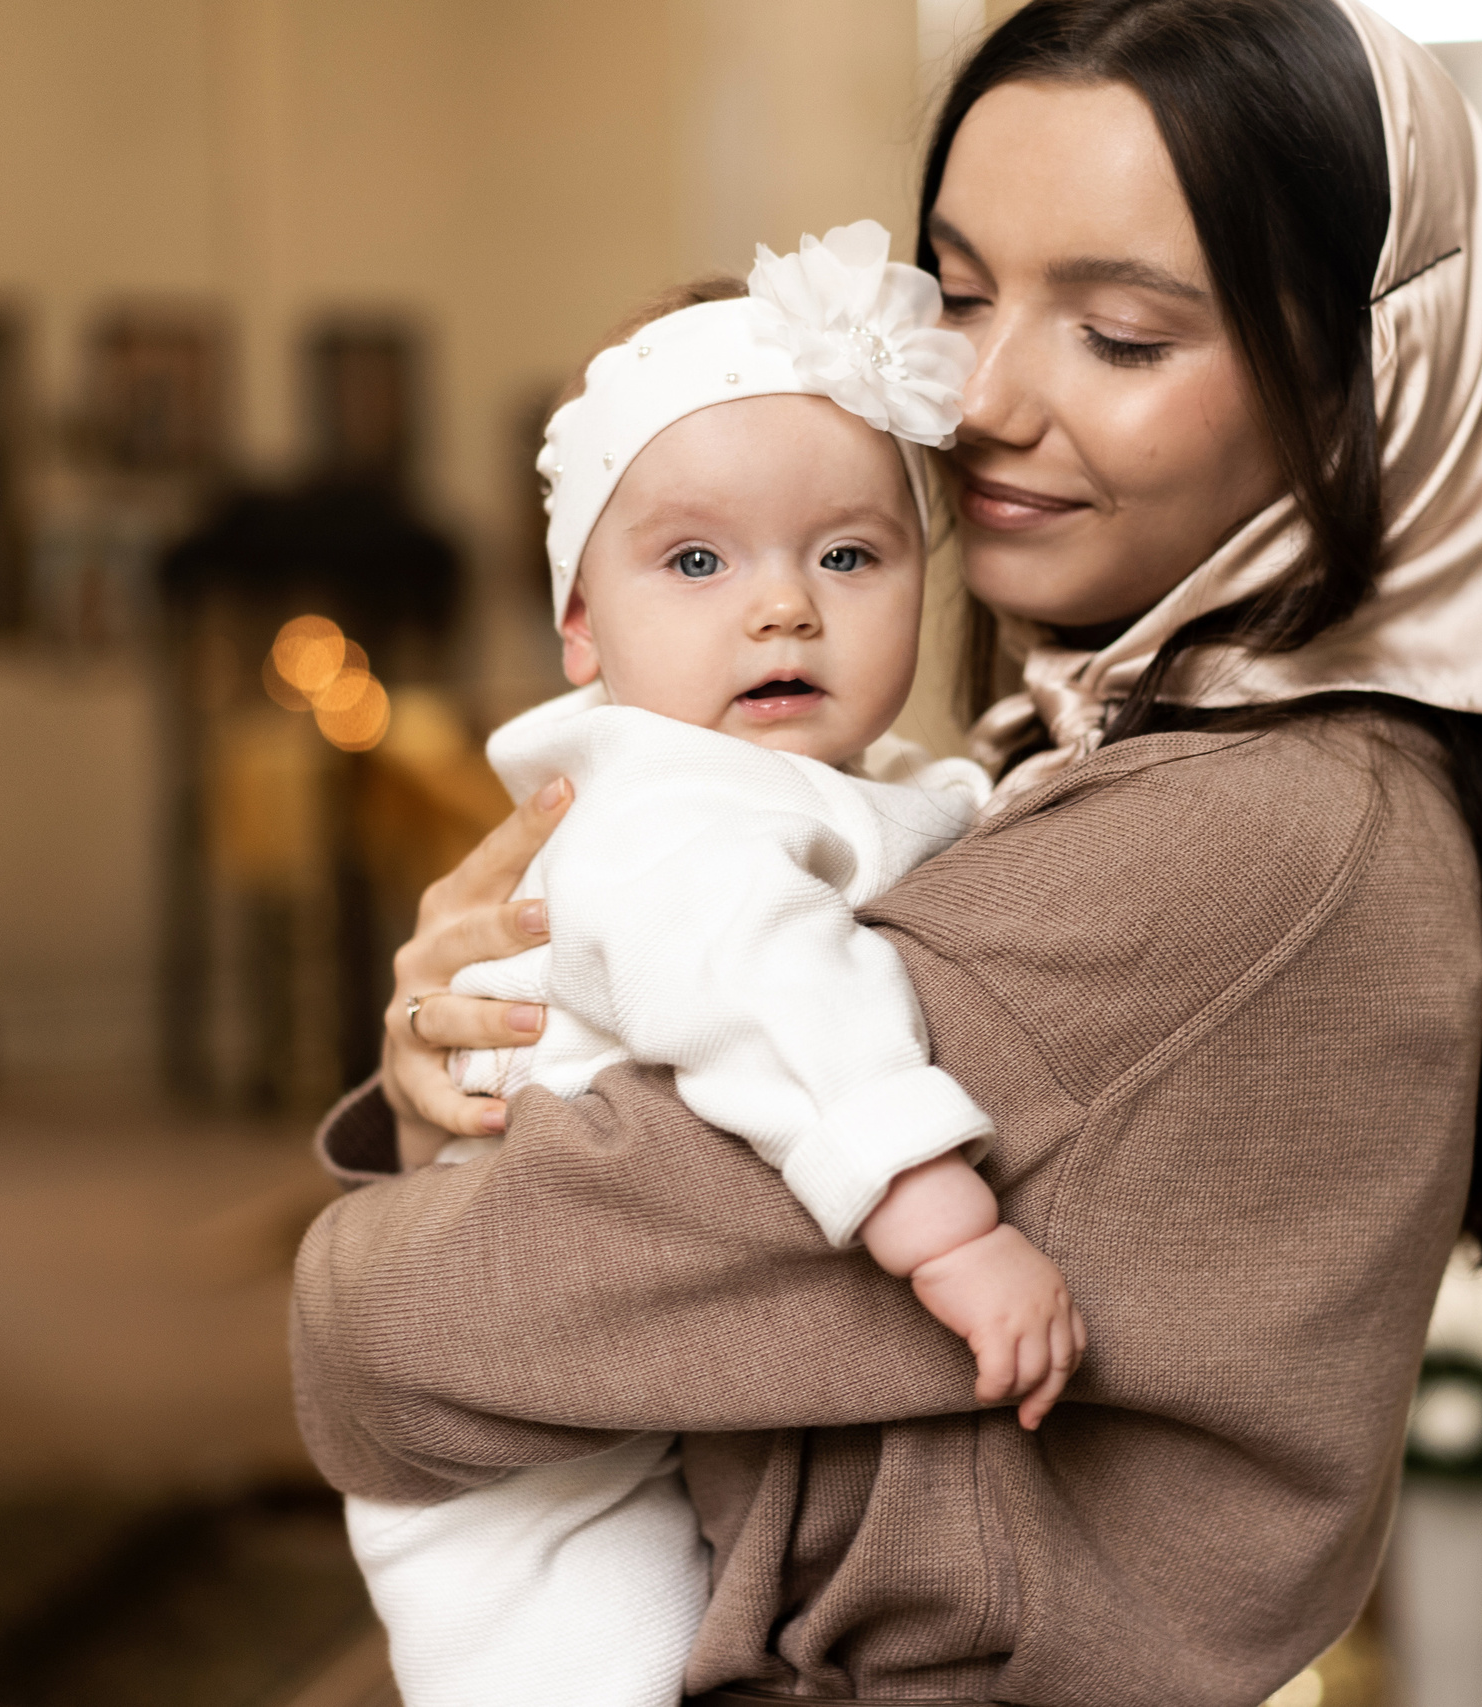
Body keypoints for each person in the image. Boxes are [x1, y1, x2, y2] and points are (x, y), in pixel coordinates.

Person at [293, 1, 1482, 1701]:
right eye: (961, 296)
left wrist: (386, 1230)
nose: (985, 401)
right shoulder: (1092, 757)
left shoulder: (1251, 833)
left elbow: (401, 1342)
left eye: (1125, 339)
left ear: (1358, 388)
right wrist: (480, 1056)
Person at [343, 227, 1084, 1707]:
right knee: (585, 1668)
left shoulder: (844, 783)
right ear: (580, 629)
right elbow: (771, 994)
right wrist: (944, 1224)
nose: (783, 606)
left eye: (850, 555)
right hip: (521, 1461)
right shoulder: (673, 805)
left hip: (603, 1359)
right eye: (696, 559)